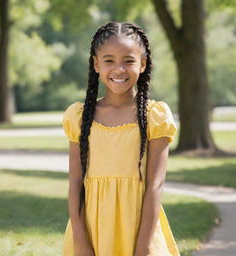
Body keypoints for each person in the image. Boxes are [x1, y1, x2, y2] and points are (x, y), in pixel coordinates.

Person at [61, 21, 180, 256]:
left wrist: (144, 246)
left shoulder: (155, 117)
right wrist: (80, 240)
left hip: (140, 228)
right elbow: (75, 184)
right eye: (109, 61)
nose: (119, 69)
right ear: (96, 64)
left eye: (128, 60)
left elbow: (155, 185)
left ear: (143, 64)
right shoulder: (79, 117)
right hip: (92, 229)